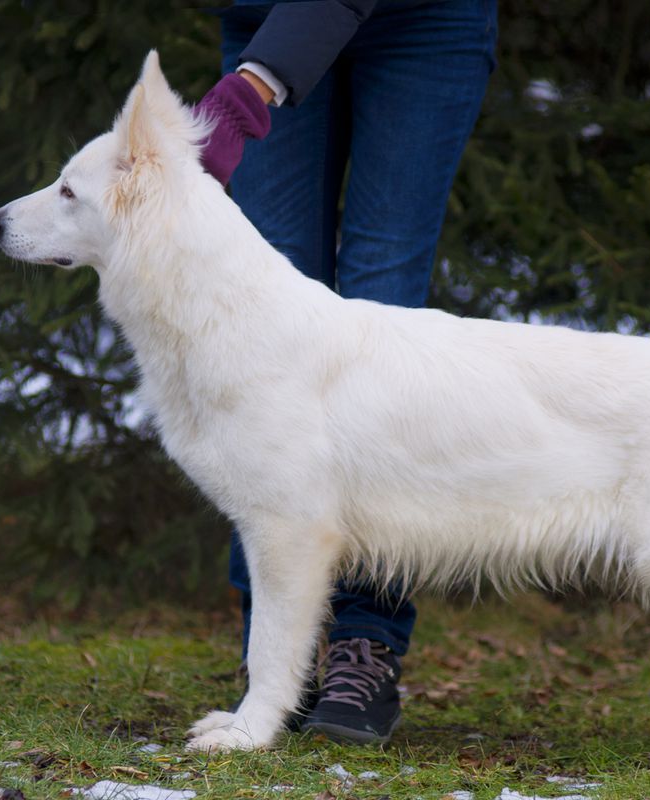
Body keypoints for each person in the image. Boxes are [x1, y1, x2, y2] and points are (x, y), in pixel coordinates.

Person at [193, 0, 497, 744]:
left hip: (427, 24)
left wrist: (259, 78)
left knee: (381, 314)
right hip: (268, 21)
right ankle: (278, 665)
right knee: (263, 341)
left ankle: (365, 646)